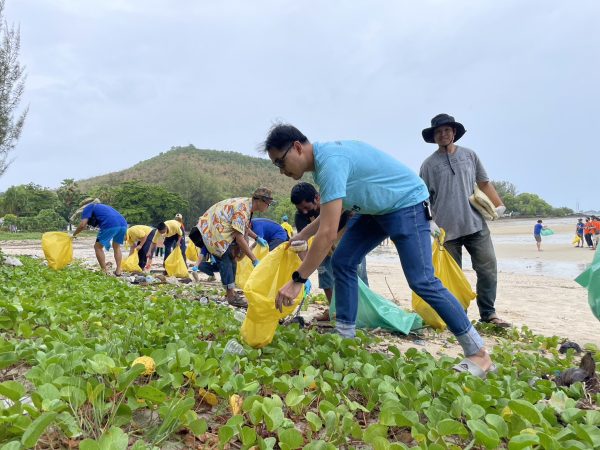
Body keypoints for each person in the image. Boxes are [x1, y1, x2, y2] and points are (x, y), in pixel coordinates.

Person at [263, 124, 495, 377]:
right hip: (375, 210)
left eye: (280, 162)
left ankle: (479, 353)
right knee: (342, 261)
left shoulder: (331, 162)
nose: (281, 170)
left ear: (297, 147)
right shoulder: (324, 166)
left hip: (407, 204)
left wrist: (298, 279)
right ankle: (346, 338)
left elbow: (328, 233)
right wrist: (301, 235)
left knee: (422, 280)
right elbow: (333, 211)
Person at [419, 114, 510, 328]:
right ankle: (458, 317)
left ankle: (488, 313)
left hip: (476, 225)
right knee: (451, 277)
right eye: (438, 132)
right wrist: (429, 222)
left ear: (454, 133)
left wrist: (499, 205)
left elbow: (484, 183)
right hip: (445, 231)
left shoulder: (470, 156)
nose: (443, 134)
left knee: (488, 270)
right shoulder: (428, 165)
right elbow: (422, 197)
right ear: (434, 136)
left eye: (447, 130)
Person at [291, 181, 369, 322]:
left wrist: (339, 241)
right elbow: (301, 244)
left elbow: (354, 219)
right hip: (323, 246)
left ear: (317, 198)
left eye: (307, 207)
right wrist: (304, 272)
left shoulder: (335, 201)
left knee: (357, 275)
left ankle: (359, 312)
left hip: (347, 237)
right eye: (300, 209)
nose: (304, 212)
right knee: (325, 277)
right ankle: (335, 311)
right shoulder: (301, 216)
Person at [196, 188, 273, 307]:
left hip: (219, 227)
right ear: (260, 201)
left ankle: (230, 291)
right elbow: (239, 237)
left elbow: (244, 227)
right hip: (213, 229)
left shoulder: (248, 207)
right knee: (226, 256)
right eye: (268, 203)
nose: (268, 206)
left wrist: (257, 238)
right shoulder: (242, 209)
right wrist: (254, 259)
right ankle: (231, 296)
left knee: (232, 258)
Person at [71, 198, 127, 276]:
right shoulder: (103, 206)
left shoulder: (88, 207)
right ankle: (118, 270)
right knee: (116, 247)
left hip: (110, 225)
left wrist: (74, 235)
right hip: (123, 224)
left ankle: (104, 271)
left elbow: (82, 225)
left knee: (97, 247)